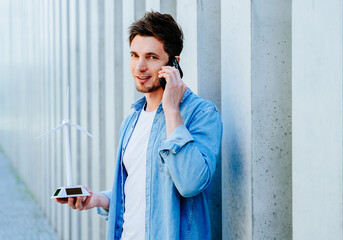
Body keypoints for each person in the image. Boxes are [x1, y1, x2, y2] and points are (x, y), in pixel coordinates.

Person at [56, 11, 222, 240]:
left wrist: (172, 109)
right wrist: (98, 199)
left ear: (174, 63)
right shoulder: (132, 119)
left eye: (152, 57)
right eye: (134, 55)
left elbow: (191, 183)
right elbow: (140, 191)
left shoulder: (201, 114)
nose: (140, 67)